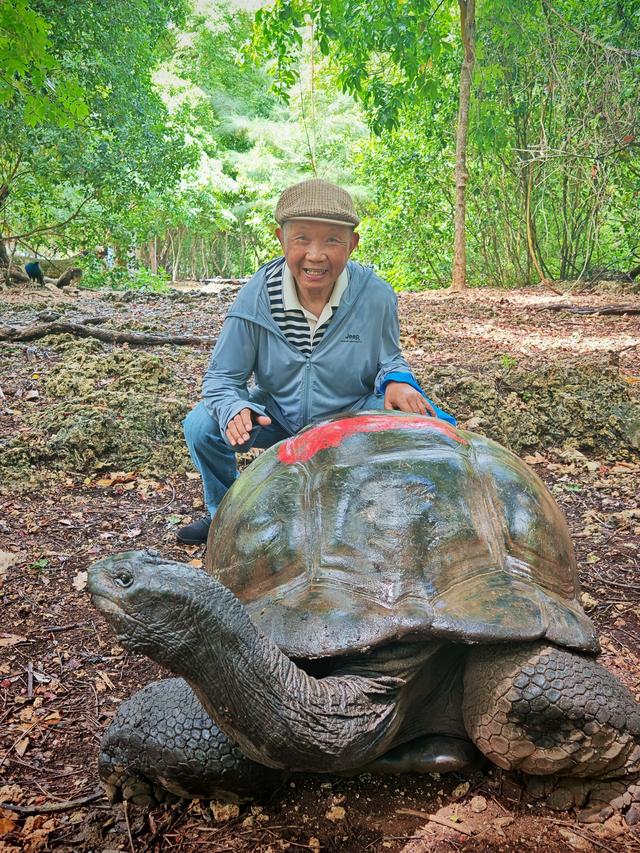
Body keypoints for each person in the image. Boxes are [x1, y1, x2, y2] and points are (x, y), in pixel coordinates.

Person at [178, 179, 455, 544]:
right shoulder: (255, 298)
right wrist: (233, 408)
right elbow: (221, 378)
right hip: (276, 414)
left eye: (332, 240)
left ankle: (410, 519)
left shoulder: (375, 296)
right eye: (302, 238)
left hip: (350, 414)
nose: (316, 254)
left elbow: (389, 359)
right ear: (281, 239)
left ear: (352, 244)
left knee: (430, 425)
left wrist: (398, 380)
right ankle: (226, 517)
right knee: (202, 424)